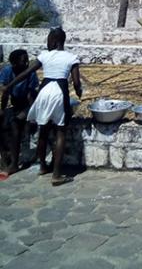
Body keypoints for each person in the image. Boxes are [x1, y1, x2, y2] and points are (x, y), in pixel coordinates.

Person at [1, 28, 82, 185]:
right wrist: (79, 92)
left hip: (44, 92)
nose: (47, 42)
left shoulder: (44, 56)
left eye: (49, 39)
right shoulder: (72, 58)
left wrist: (9, 85)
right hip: (59, 92)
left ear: (55, 41)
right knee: (60, 132)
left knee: (43, 130)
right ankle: (57, 175)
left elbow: (25, 73)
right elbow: (77, 82)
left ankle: (43, 167)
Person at [0, 49, 39, 174]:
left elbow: (31, 96)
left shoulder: (30, 74)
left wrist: (31, 114)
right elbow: (5, 92)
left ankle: (14, 163)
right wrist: (2, 109)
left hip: (28, 104)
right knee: (3, 124)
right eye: (24, 60)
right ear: (15, 63)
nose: (27, 62)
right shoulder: (7, 71)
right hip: (15, 103)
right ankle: (5, 156)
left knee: (16, 124)